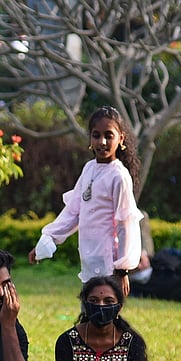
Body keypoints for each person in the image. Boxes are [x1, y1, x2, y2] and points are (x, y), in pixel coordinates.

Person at [28, 106, 143, 296]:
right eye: (96, 135)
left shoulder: (119, 176)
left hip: (109, 263)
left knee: (104, 316)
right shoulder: (89, 168)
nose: (102, 142)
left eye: (109, 135)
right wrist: (47, 240)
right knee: (89, 313)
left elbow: (125, 224)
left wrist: (122, 268)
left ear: (121, 138)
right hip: (89, 257)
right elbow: (73, 212)